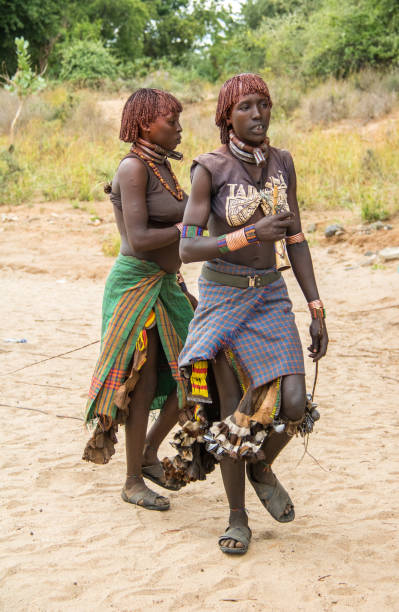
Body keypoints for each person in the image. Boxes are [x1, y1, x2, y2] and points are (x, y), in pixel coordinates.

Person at [171, 73, 328, 553]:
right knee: (236, 411)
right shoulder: (209, 168)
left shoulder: (282, 162)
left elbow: (296, 239)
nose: (257, 114)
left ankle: (262, 466)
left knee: (295, 401)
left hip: (272, 295)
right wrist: (248, 235)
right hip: (223, 297)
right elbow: (187, 246)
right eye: (246, 107)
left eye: (264, 104)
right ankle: (237, 517)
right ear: (227, 117)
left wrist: (317, 308)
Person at [82, 88, 196, 512]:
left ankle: (148, 453)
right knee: (143, 381)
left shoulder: (161, 166)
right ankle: (132, 481)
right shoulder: (133, 168)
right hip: (135, 285)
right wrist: (191, 227)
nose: (180, 129)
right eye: (172, 121)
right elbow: (141, 239)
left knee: (192, 367)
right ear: (146, 123)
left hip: (167, 284)